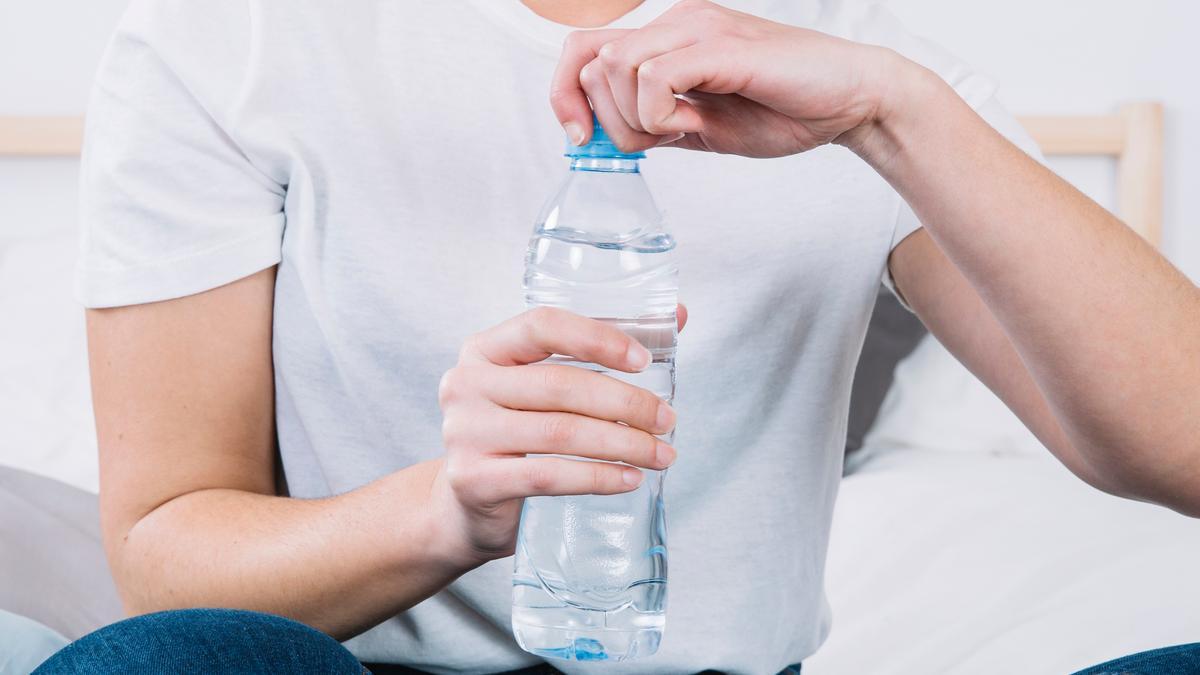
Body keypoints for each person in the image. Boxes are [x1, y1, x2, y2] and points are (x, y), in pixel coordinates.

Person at [37, 0, 1199, 673]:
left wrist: (897, 117)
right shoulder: (232, 36)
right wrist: (451, 509)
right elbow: (166, 554)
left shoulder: (854, 62)